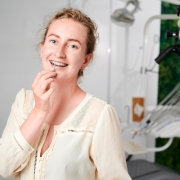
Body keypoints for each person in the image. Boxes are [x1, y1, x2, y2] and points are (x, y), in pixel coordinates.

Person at [0, 8, 132, 180]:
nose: (59, 53)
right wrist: (39, 111)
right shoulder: (23, 101)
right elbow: (4, 167)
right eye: (54, 41)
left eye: (72, 46)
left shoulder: (100, 115)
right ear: (42, 49)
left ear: (85, 60)